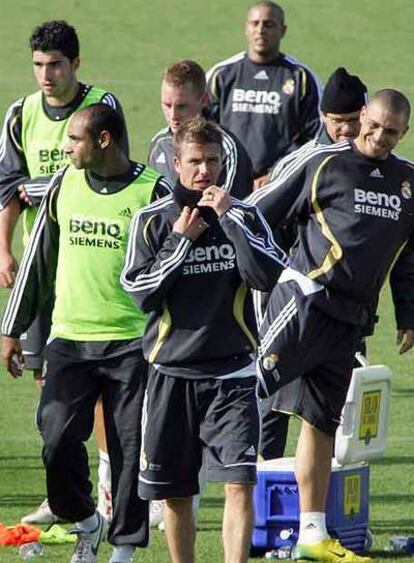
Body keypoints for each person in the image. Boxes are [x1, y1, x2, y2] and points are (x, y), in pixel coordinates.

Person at [1, 103, 172, 563]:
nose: (66, 146)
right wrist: (11, 328)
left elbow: (174, 270)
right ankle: (85, 520)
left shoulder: (153, 191)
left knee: (129, 448)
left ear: (103, 141)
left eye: (74, 139)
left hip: (132, 343)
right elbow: (38, 260)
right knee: (55, 436)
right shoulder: (64, 185)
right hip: (70, 338)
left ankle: (124, 548)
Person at [248, 89, 414, 562]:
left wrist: (409, 315)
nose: (380, 137)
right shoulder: (322, 163)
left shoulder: (408, 183)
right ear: (363, 116)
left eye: (392, 131)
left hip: (351, 321)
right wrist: (269, 276)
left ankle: (312, 534)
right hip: (302, 307)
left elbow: (409, 258)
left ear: (404, 133)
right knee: (245, 396)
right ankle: (174, 493)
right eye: (375, 125)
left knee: (320, 423)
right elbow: (258, 213)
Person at [121, 116, 287, 563]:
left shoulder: (243, 213)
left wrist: (230, 219)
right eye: (194, 161)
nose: (204, 171)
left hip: (232, 373)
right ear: (176, 163)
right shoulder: (153, 221)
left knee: (239, 482)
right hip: (170, 374)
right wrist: (180, 243)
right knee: (175, 494)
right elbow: (141, 293)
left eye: (212, 161)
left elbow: (268, 274)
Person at [0, 19, 128, 525]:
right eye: (38, 65)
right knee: (46, 377)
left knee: (93, 376)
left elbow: (112, 171)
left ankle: (109, 486)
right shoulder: (21, 114)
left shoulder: (103, 106)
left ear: (76, 63)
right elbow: (8, 188)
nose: (46, 75)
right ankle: (65, 493)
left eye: (55, 64)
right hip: (40, 262)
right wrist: (5, 251)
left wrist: (46, 183)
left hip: (89, 261)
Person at [260, 67, 368, 461]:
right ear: (323, 117)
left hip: (348, 308)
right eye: (338, 122)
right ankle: (265, 484)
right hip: (292, 302)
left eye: (353, 122)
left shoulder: (375, 166)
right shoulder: (303, 162)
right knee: (271, 397)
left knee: (340, 404)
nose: (345, 130)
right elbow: (261, 221)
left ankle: (332, 501)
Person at [206, 1, 321, 188]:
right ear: (246, 28)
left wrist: (277, 171)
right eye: (255, 23)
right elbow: (204, 127)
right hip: (226, 179)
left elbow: (314, 135)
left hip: (278, 183)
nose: (261, 30)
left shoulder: (301, 77)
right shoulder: (221, 75)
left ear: (282, 30)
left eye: (268, 24)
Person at [149, 59, 253, 198]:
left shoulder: (226, 148)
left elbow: (235, 211)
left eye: (182, 106)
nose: (173, 116)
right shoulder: (159, 144)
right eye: (167, 105)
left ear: (203, 100)